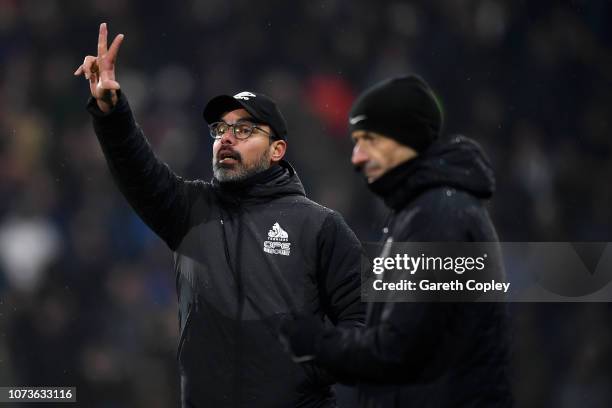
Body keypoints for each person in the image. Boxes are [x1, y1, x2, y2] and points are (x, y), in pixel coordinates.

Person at [74, 23, 365, 408]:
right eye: (220, 129)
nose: (226, 138)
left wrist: (304, 375)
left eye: (244, 129)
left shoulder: (320, 226)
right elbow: (137, 169)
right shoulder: (190, 211)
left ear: (277, 150)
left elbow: (361, 329)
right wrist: (111, 113)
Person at [280, 75, 512, 407]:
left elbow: (395, 353)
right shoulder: (420, 212)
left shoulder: (439, 218)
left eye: (369, 139)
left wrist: (315, 340)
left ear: (406, 138)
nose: (357, 157)